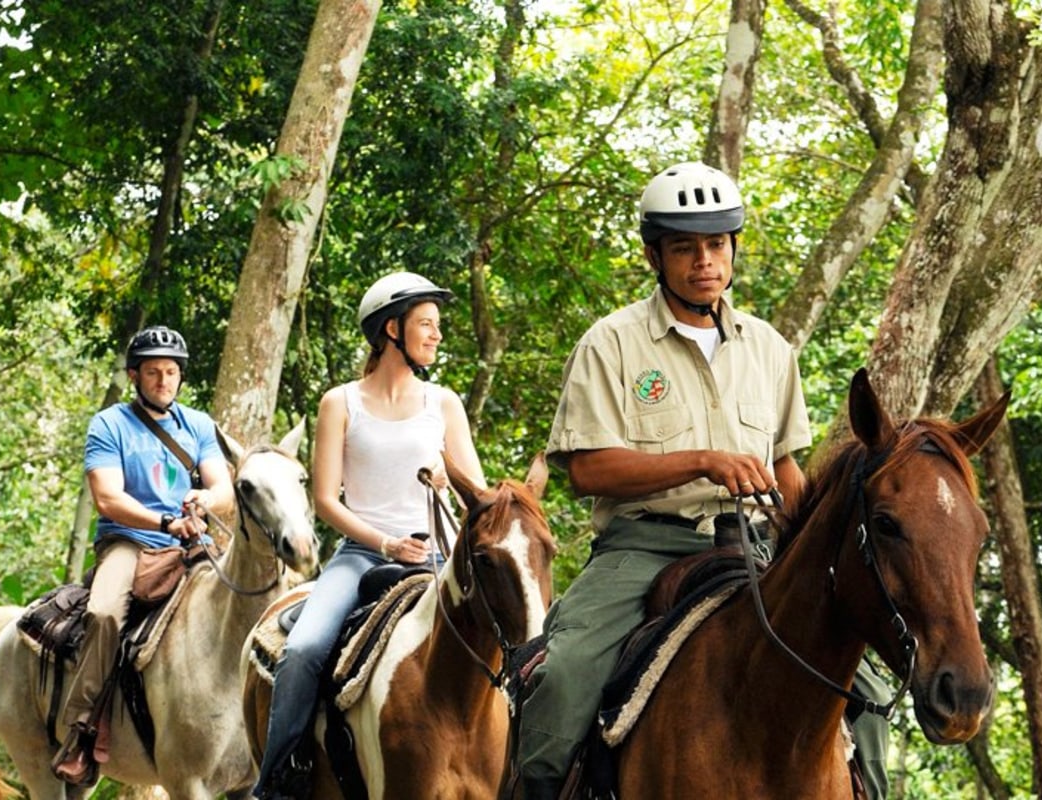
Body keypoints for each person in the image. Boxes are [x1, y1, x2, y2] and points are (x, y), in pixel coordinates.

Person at [512, 161, 815, 799]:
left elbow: (787, 466)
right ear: (655, 254)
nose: (704, 261)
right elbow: (589, 469)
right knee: (563, 673)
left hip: (753, 546)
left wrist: (809, 537)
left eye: (715, 245)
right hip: (643, 547)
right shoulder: (611, 344)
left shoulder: (770, 349)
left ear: (733, 249)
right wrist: (703, 460)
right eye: (684, 247)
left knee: (859, 678)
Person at [251, 271, 487, 800]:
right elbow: (326, 501)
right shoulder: (341, 402)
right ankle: (280, 779)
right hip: (362, 555)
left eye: (437, 325)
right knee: (305, 648)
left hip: (436, 557)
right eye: (426, 324)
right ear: (391, 330)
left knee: (511, 637)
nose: (436, 335)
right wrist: (385, 544)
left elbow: (479, 491)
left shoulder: (443, 404)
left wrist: (456, 482)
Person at [53, 325, 234, 786]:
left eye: (171, 372)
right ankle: (82, 727)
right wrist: (162, 522)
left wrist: (203, 503)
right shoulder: (109, 424)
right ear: (135, 376)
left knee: (244, 601)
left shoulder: (197, 425)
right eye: (153, 372)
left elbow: (224, 488)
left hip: (190, 544)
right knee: (105, 613)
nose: (163, 381)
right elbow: (107, 498)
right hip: (129, 542)